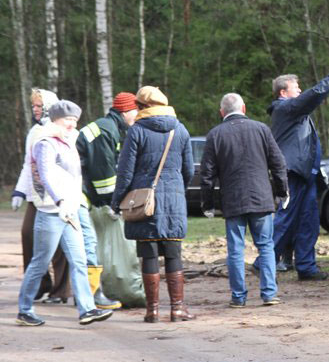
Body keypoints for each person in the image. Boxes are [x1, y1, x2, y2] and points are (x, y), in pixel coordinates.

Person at [253, 61, 329, 281]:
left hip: (306, 174)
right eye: (295, 88)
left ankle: (307, 267)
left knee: (308, 221)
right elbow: (311, 96)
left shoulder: (292, 109)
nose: (299, 90)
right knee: (285, 219)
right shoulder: (284, 108)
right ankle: (264, 262)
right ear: (283, 92)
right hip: (293, 173)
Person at [17, 100, 113, 326]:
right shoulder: (45, 142)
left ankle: (87, 309)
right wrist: (59, 200)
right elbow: (46, 174)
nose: (72, 124)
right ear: (56, 119)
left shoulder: (68, 141)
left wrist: (75, 203)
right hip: (52, 212)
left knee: (79, 261)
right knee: (40, 262)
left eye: (75, 120)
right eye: (68, 119)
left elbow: (74, 177)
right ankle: (24, 309)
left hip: (70, 210)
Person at [111, 86, 195, 323]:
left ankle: (153, 311)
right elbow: (188, 169)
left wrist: (117, 202)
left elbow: (125, 173)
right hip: (174, 200)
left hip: (144, 201)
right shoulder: (180, 130)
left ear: (143, 106)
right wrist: (177, 190)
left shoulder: (136, 131)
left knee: (148, 254)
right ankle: (177, 309)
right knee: (173, 253)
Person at [200, 93, 288, 307]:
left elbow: (207, 173)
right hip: (261, 198)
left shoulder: (215, 134)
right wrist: (282, 191)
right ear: (244, 108)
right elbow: (278, 164)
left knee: (235, 250)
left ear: (222, 112)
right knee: (266, 246)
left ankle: (238, 297)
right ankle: (269, 293)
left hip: (232, 200)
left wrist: (208, 203)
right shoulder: (261, 129)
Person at [76, 92, 140, 310]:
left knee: (86, 247)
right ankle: (93, 295)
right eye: (136, 111)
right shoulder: (105, 131)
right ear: (126, 111)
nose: (138, 116)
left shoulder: (108, 127)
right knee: (91, 247)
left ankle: (86, 293)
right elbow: (104, 177)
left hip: (81, 194)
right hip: (83, 197)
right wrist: (112, 204)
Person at [11, 88, 70, 304]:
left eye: (38, 106)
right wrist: (19, 190)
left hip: (59, 193)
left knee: (60, 241)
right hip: (37, 194)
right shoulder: (34, 132)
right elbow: (29, 164)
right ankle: (38, 284)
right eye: (33, 106)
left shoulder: (61, 129)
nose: (35, 109)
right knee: (28, 234)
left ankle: (61, 290)